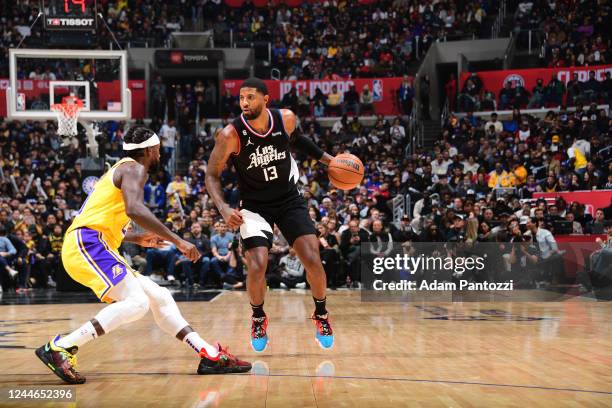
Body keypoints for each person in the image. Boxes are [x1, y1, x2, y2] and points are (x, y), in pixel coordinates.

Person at [35, 126, 251, 385]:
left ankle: (209, 354)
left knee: (160, 297)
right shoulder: (133, 169)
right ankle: (62, 346)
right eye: (159, 149)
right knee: (137, 303)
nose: (160, 153)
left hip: (93, 243)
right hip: (88, 243)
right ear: (150, 150)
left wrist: (135, 237)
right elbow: (135, 209)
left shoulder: (122, 170)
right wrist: (178, 240)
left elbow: (103, 218)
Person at [205, 78, 336, 352]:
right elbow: (212, 174)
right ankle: (258, 318)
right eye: (241, 98)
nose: (244, 103)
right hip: (254, 206)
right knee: (257, 264)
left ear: (266, 99)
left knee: (313, 258)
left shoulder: (285, 119)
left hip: (288, 199)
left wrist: (330, 161)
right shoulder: (231, 134)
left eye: (250, 97)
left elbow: (299, 141)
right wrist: (223, 207)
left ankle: (321, 314)